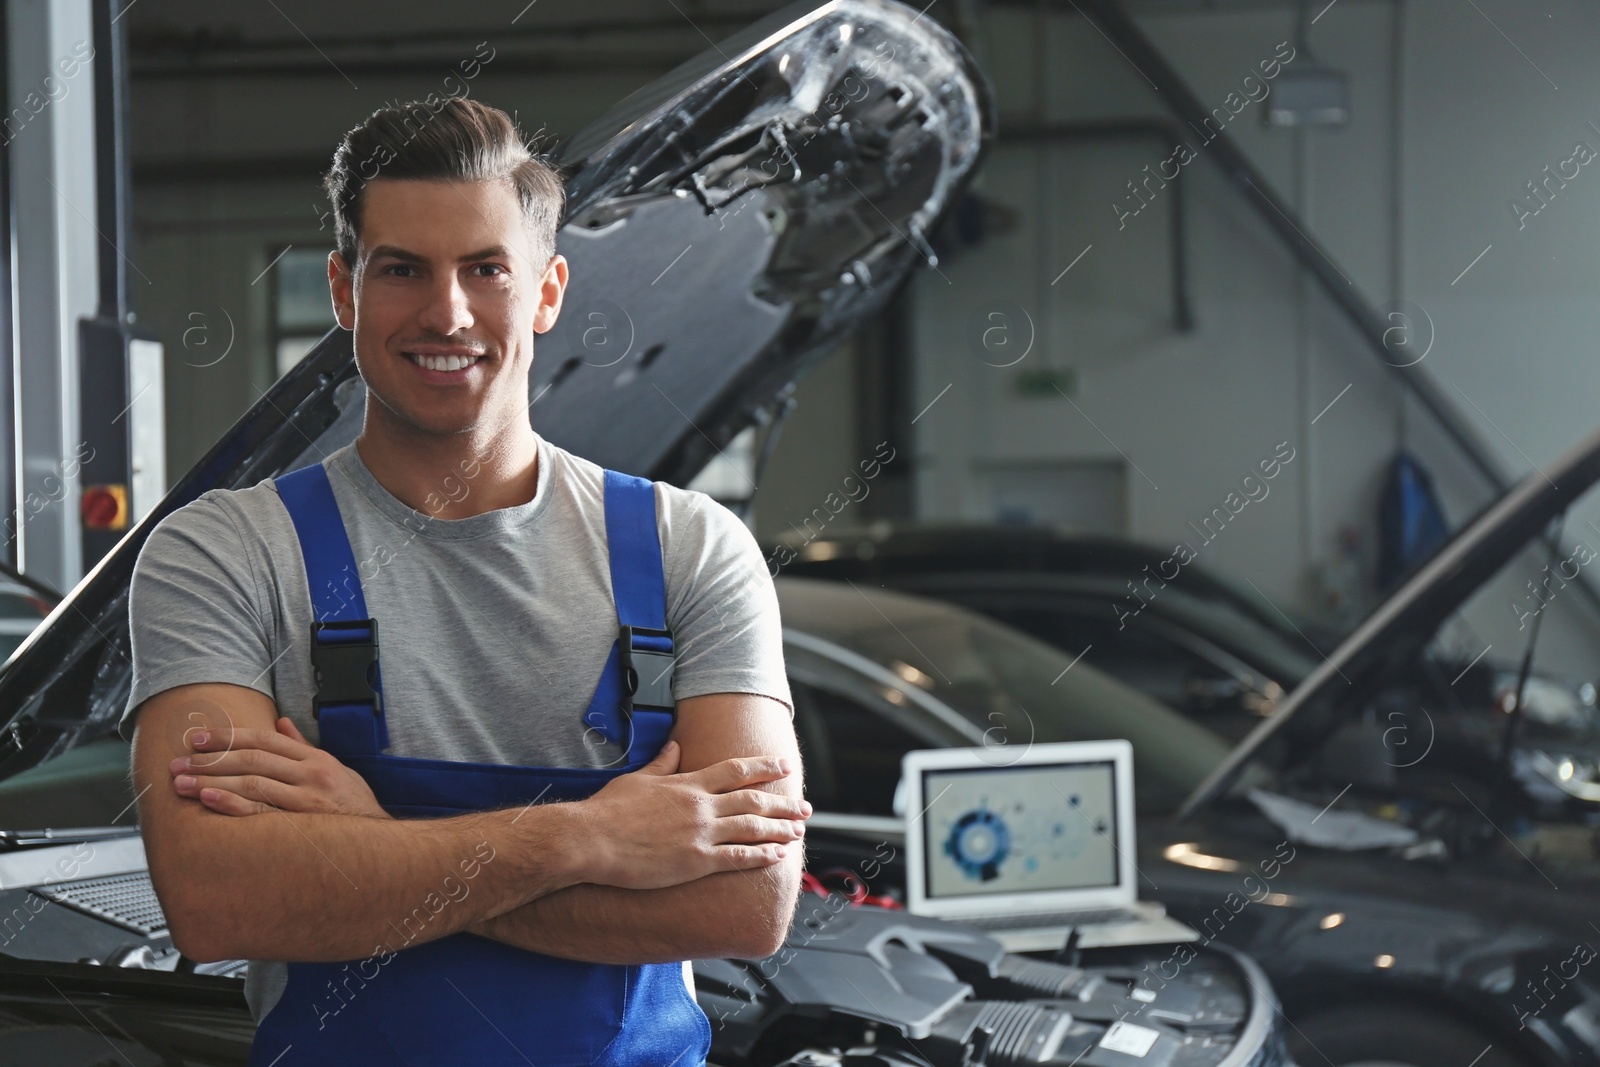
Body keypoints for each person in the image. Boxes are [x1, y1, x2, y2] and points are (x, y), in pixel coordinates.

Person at [122, 97, 807, 1067]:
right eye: (401, 268)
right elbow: (219, 899)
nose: (445, 312)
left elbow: (744, 902)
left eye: (485, 268)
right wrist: (588, 839)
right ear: (343, 289)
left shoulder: (691, 549)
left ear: (546, 289)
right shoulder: (226, 554)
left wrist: (371, 840)